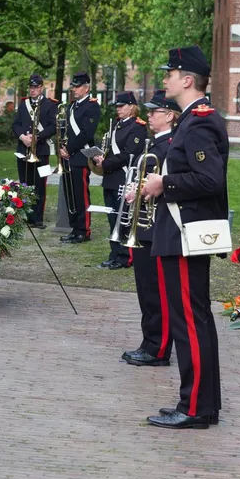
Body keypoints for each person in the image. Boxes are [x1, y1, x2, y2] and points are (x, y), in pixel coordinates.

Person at [140, 46, 229, 430]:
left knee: (189, 321)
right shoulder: (191, 120)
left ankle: (194, 407)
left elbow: (211, 180)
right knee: (194, 319)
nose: (165, 79)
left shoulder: (200, 122)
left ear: (187, 80)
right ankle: (201, 403)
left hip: (184, 233)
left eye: (170, 73)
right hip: (180, 231)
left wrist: (164, 183)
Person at [121, 90, 180, 367]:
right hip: (145, 226)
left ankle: (159, 349)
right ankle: (149, 341)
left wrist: (141, 189)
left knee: (157, 291)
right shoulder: (155, 144)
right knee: (145, 289)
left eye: (154, 111)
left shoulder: (170, 146)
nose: (149, 115)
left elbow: (167, 184)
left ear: (169, 115)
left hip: (157, 226)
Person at [91, 91, 147, 270]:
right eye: (117, 106)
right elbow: (109, 148)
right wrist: (98, 156)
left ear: (132, 107)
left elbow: (128, 154)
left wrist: (105, 163)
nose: (119, 109)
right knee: (112, 219)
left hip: (123, 178)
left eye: (122, 106)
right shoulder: (117, 125)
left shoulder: (137, 127)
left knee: (123, 219)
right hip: (110, 178)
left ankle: (125, 257)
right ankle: (114, 253)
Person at [12, 74, 58, 228]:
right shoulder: (23, 104)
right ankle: (26, 215)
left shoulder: (50, 105)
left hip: (42, 151)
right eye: (31, 87)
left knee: (40, 184)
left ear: (41, 88)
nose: (33, 90)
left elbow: (53, 127)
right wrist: (22, 137)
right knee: (25, 184)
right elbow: (16, 124)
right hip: (23, 150)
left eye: (36, 87)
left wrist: (37, 136)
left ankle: (38, 218)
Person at [60, 71, 100, 243]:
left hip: (81, 156)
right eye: (73, 87)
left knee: (81, 195)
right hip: (68, 156)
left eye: (77, 87)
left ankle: (84, 230)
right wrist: (62, 147)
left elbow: (86, 133)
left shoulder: (92, 106)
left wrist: (68, 148)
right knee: (70, 195)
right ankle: (74, 228)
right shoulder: (71, 106)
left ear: (86, 87)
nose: (74, 90)